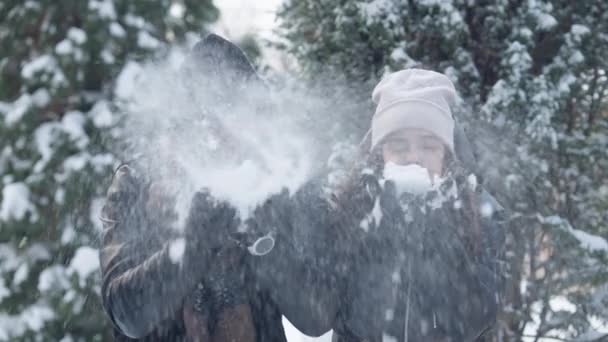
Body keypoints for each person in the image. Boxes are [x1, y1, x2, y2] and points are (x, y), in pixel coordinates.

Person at [98, 34, 341, 341]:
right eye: (205, 114)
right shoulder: (140, 181)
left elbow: (317, 317)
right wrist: (193, 245)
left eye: (233, 113)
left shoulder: (282, 182)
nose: (219, 131)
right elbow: (127, 314)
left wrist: (265, 240)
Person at [328, 69, 506, 341]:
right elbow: (333, 310)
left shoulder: (481, 214)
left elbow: (474, 319)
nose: (414, 156)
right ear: (379, 155)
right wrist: (385, 225)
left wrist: (439, 229)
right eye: (399, 147)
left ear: (447, 155)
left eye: (429, 146)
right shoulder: (354, 207)